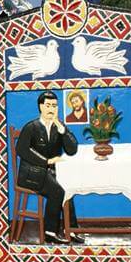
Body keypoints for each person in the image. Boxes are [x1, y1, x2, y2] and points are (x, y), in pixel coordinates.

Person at [15, 90, 83, 244]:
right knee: (58, 191)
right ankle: (50, 232)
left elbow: (72, 150)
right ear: (40, 107)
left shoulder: (57, 128)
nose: (51, 109)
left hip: (50, 174)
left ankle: (70, 230)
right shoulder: (31, 127)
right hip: (30, 174)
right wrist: (46, 161)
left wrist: (62, 128)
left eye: (54, 105)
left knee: (68, 188)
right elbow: (22, 150)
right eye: (48, 105)